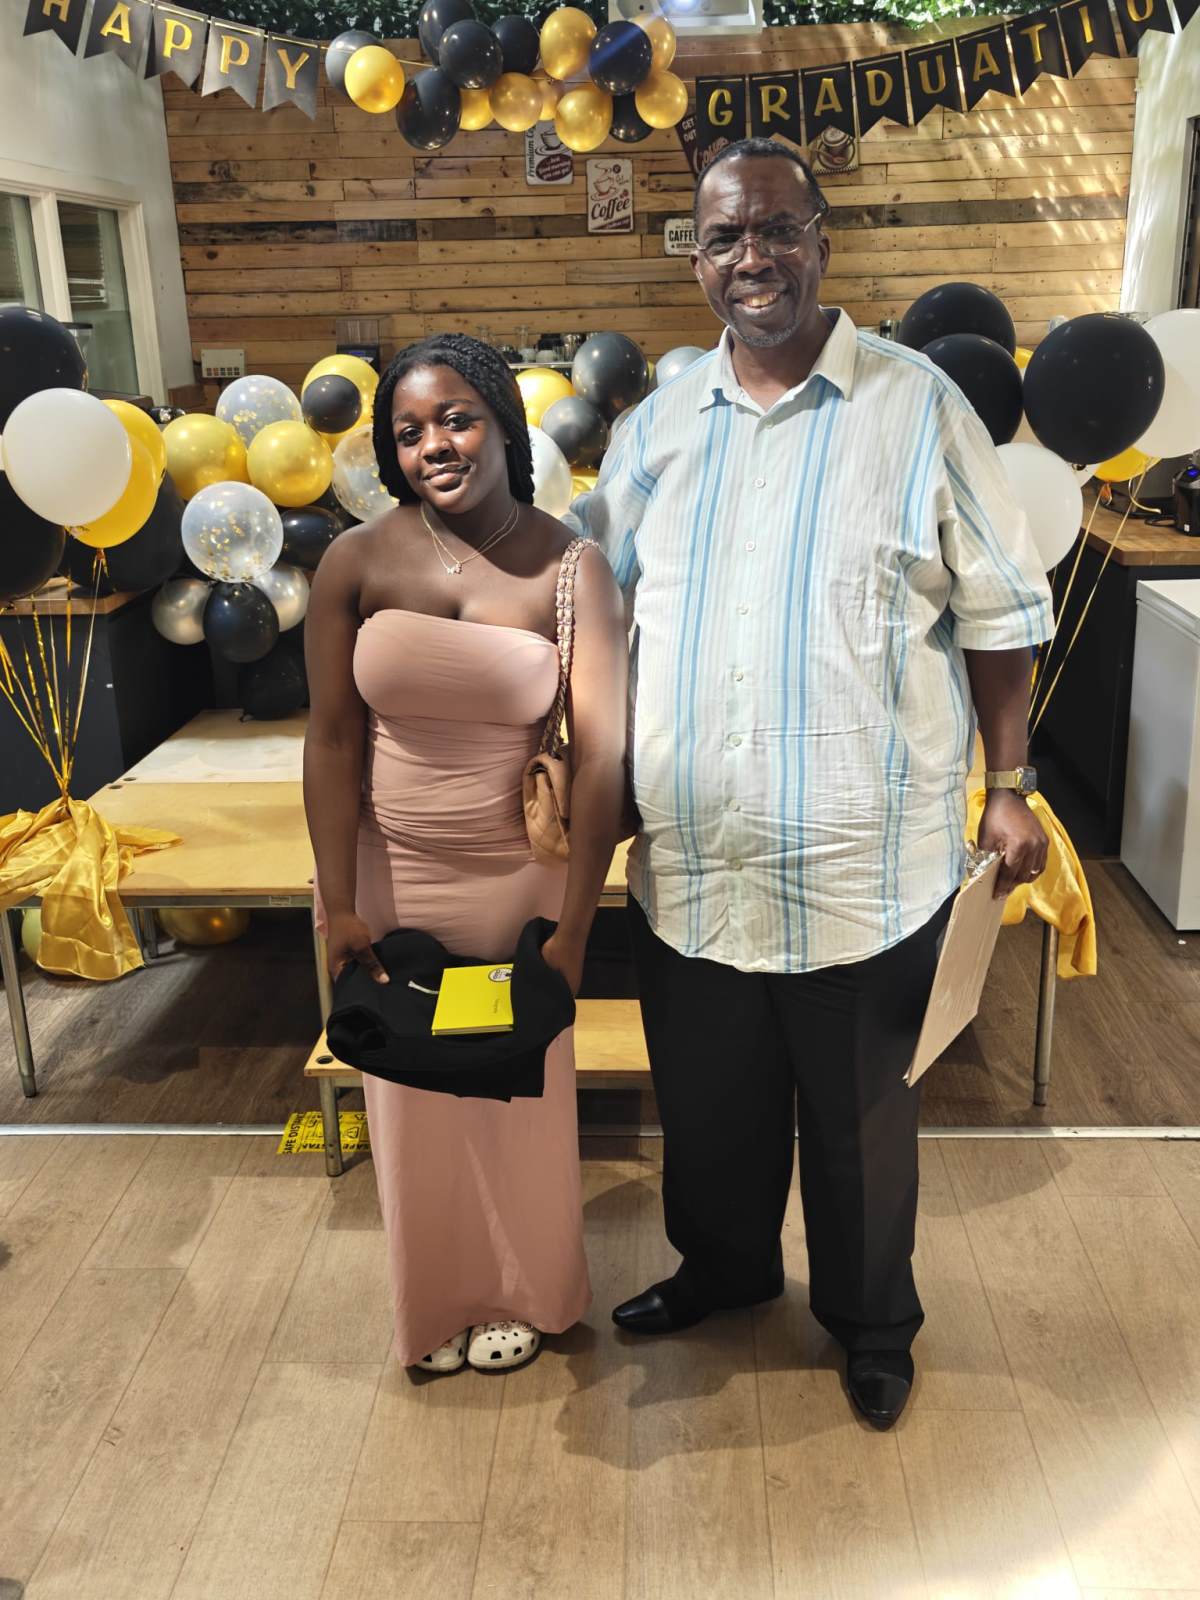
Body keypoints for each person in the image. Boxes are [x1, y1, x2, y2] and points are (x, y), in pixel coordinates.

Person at [569, 139, 1053, 1429]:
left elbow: (1001, 615)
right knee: (710, 1113)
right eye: (725, 237)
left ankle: (872, 1322)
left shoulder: (917, 407)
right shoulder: (658, 424)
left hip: (862, 863)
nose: (754, 258)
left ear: (823, 241)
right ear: (698, 259)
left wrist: (1010, 784)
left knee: (859, 1130)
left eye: (778, 229)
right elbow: (590, 598)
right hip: (696, 864)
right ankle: (723, 1270)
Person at [304, 333, 627, 1376]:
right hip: (388, 875)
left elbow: (601, 755)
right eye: (408, 432)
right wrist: (339, 902)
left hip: (514, 880)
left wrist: (576, 926)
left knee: (511, 1092)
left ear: (501, 424)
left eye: (455, 419)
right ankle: (435, 1298)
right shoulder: (356, 561)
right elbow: (332, 738)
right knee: (410, 1101)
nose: (433, 445)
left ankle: (527, 1289)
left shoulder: (569, 566)